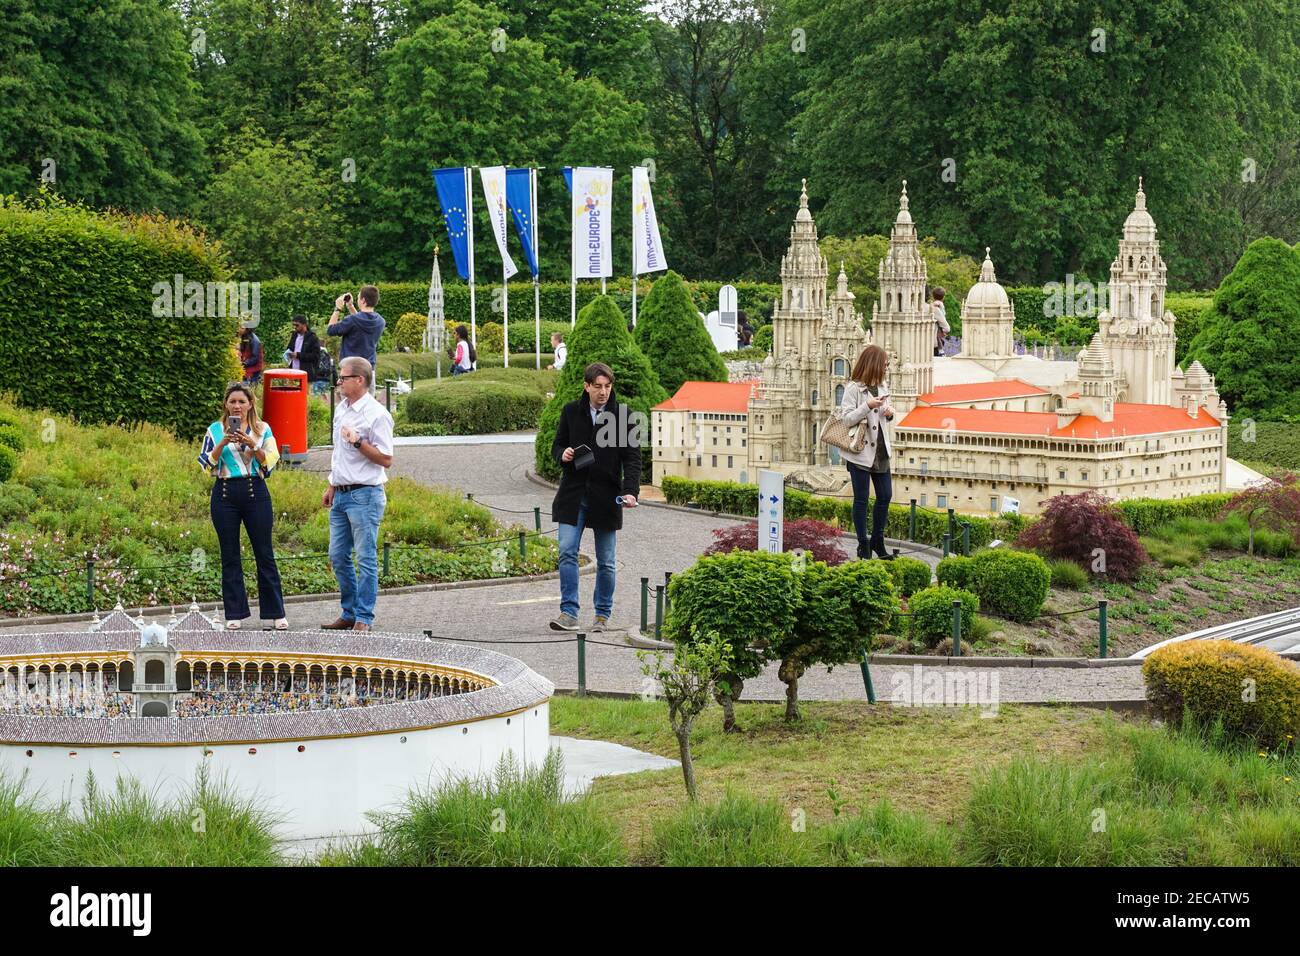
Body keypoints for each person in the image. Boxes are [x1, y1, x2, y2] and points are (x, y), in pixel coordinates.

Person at [549, 363, 641, 632]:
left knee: (607, 561)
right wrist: (562, 454)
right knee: (567, 551)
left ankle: (602, 615)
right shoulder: (570, 412)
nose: (603, 392)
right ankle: (568, 613)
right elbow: (556, 445)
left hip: (606, 496)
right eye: (598, 386)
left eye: (607, 386)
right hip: (573, 494)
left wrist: (630, 491)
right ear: (586, 386)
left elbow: (633, 459)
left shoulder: (623, 416)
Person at [197, 382, 288, 628]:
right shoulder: (215, 430)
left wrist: (252, 444)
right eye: (232, 401)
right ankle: (234, 614)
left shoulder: (262, 429)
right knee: (229, 555)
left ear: (250, 404)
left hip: (254, 491)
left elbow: (270, 461)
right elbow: (206, 465)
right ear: (226, 404)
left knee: (264, 553)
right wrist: (222, 443)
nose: (237, 406)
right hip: (225, 493)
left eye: (241, 401)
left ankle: (275, 613)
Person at [321, 356, 395, 632]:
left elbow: (386, 459)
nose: (338, 382)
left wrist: (358, 442)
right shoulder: (341, 409)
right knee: (338, 555)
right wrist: (332, 484)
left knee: (365, 558)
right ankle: (349, 612)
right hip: (341, 493)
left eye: (343, 377)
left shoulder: (377, 415)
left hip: (366, 495)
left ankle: (364, 617)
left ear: (360, 380)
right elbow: (338, 454)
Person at [838, 344, 895, 560]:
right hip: (860, 451)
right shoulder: (853, 389)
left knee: (885, 496)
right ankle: (863, 545)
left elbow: (885, 415)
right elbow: (847, 419)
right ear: (875, 365)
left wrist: (889, 413)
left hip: (880, 450)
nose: (887, 368)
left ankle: (877, 542)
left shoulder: (882, 386)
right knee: (861, 499)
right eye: (885, 364)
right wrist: (867, 406)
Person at [327, 286, 385, 385]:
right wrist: (350, 306)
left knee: (350, 400)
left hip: (350, 372)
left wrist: (337, 309)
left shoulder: (352, 320)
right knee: (367, 400)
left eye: (358, 297)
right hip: (368, 371)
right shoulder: (381, 321)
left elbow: (331, 330)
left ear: (363, 300)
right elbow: (361, 322)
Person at [284, 314, 323, 392]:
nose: (295, 327)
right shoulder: (294, 335)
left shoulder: (312, 338)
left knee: (305, 397)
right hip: (293, 372)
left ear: (304, 325)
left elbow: (315, 356)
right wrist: (288, 353)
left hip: (306, 374)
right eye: (293, 325)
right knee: (292, 395)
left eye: (297, 325)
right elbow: (290, 347)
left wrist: (298, 355)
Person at [931, 286, 949, 356]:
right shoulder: (938, 305)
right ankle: (941, 351)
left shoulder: (933, 304)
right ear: (943, 297)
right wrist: (944, 331)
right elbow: (947, 328)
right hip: (936, 335)